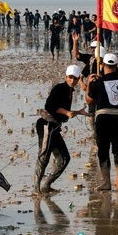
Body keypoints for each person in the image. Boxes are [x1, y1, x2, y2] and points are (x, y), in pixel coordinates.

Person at [33, 65, 87, 196]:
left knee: (64, 158)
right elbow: (50, 106)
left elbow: (63, 112)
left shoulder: (70, 91)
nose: (72, 80)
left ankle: (46, 185)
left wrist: (77, 112)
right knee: (44, 156)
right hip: (47, 125)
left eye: (75, 78)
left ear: (78, 79)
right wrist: (67, 112)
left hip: (55, 127)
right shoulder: (59, 88)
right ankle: (36, 189)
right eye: (70, 78)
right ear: (65, 77)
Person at [85, 53, 118, 191]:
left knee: (103, 150)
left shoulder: (97, 82)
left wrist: (89, 84)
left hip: (103, 117)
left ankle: (106, 182)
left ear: (102, 65)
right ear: (116, 66)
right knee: (117, 148)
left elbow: (89, 100)